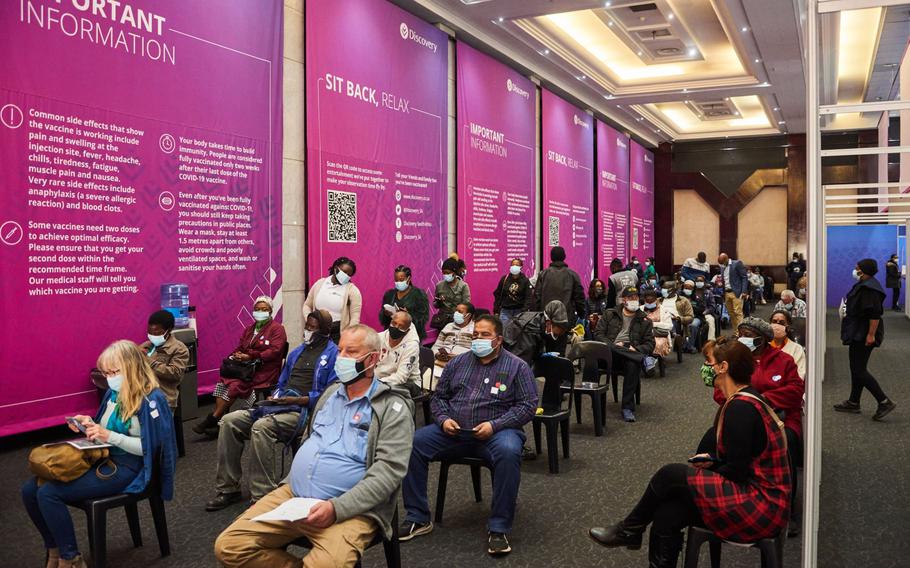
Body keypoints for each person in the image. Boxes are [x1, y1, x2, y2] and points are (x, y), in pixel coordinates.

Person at [214, 325, 415, 568]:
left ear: (373, 359)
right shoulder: (330, 395)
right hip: (295, 494)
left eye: (351, 352)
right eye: (340, 350)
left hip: (351, 508)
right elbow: (310, 445)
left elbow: (388, 474)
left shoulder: (391, 408)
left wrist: (336, 508)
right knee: (229, 546)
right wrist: (281, 489)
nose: (340, 359)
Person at [589, 338, 791, 567]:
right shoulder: (747, 399)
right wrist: (714, 463)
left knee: (670, 475)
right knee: (667, 513)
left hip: (762, 506)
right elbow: (743, 461)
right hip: (764, 499)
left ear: (723, 367)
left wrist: (714, 466)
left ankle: (630, 529)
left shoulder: (740, 408)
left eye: (709, 362)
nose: (706, 367)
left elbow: (736, 472)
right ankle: (631, 530)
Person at [23, 340, 177, 568]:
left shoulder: (151, 399)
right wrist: (88, 424)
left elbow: (151, 449)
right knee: (29, 490)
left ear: (132, 368)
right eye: (105, 373)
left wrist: (109, 436)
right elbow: (104, 428)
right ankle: (54, 549)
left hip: (133, 468)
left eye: (114, 372)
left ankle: (71, 559)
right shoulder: (113, 394)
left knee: (48, 494)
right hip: (106, 457)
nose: (109, 377)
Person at [398, 315, 538, 556]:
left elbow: (527, 406)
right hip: (454, 432)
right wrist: (443, 420)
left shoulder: (517, 367)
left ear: (499, 340)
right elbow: (439, 398)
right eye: (475, 335)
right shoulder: (457, 363)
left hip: (498, 433)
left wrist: (495, 425)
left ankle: (498, 527)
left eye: (485, 335)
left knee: (509, 452)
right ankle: (418, 517)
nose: (478, 339)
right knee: (413, 443)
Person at [206, 310, 338, 510]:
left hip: (304, 412)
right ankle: (228, 488)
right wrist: (275, 398)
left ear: (325, 331)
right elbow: (281, 383)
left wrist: (301, 399)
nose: (307, 331)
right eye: (307, 326)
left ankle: (262, 496)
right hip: (280, 406)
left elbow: (330, 394)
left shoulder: (334, 354)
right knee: (229, 421)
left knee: (261, 427)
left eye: (312, 328)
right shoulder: (296, 353)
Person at [195, 296, 288, 435]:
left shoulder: (277, 329)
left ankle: (213, 418)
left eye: (264, 309)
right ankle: (219, 420)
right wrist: (235, 355)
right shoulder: (249, 329)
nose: (260, 312)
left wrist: (252, 355)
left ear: (270, 311)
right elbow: (241, 347)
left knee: (236, 384)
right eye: (257, 309)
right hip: (247, 367)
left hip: (265, 369)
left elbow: (275, 351)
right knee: (223, 381)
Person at [834, 259, 897, 420]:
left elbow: (875, 314)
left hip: (864, 333)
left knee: (859, 370)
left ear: (864, 270)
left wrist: (871, 334)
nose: (855, 269)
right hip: (858, 331)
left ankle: (884, 401)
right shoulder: (865, 284)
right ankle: (854, 402)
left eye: (858, 267)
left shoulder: (869, 288)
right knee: (857, 367)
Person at [594, 286, 655, 422]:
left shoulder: (644, 320)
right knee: (618, 349)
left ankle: (627, 408)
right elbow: (598, 334)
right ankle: (643, 359)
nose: (634, 300)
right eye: (630, 298)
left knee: (632, 364)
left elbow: (650, 344)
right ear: (623, 300)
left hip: (629, 354)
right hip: (608, 353)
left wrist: (636, 349)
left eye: (636, 298)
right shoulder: (610, 314)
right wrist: (614, 345)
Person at [138, 310, 190, 409]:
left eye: (157, 332)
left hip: (163, 401)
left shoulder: (179, 349)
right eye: (150, 332)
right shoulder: (146, 346)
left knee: (161, 425)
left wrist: (148, 361)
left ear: (169, 330)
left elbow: (175, 374)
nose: (152, 335)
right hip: (142, 398)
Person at [304, 256, 362, 343]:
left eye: (349, 275)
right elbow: (307, 305)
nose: (346, 276)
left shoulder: (352, 291)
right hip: (316, 331)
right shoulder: (320, 283)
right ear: (336, 269)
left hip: (337, 334)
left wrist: (348, 336)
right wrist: (310, 321)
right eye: (344, 272)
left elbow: (355, 318)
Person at [379, 265, 430, 341]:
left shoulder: (419, 294)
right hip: (393, 334)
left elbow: (424, 318)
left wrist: (408, 316)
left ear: (409, 278)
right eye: (396, 280)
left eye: (401, 280)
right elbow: (382, 319)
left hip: (411, 336)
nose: (398, 282)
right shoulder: (390, 294)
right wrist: (386, 314)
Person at [534, 246, 585, 322]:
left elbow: (537, 298)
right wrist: (582, 314)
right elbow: (579, 298)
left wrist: (537, 316)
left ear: (551, 257)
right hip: (566, 318)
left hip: (546, 318)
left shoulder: (543, 274)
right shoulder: (573, 275)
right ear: (564, 256)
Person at [376, 310, 422, 396]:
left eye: (401, 326)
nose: (396, 327)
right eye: (394, 323)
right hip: (381, 378)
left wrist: (377, 384)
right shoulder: (379, 337)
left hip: (409, 383)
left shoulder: (411, 345)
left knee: (383, 394)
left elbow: (401, 377)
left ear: (407, 331)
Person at [433, 257, 471, 329]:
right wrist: (439, 302)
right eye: (444, 273)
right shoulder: (439, 285)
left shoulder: (463, 286)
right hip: (442, 320)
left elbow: (467, 306)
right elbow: (435, 305)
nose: (445, 275)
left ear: (454, 272)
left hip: (457, 319)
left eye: (448, 273)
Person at [769, 310, 806, 380]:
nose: (777, 325)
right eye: (774, 322)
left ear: (788, 327)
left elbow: (799, 375)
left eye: (782, 323)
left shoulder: (796, 349)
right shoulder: (762, 346)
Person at [493, 258, 532, 325]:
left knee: (517, 331)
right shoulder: (505, 279)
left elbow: (528, 297)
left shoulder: (525, 281)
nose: (514, 266)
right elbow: (498, 294)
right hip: (505, 311)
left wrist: (524, 310)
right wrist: (496, 310)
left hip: (519, 311)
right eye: (513, 265)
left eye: (517, 265)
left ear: (521, 267)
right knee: (504, 331)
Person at [717, 253, 748, 332]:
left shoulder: (737, 263)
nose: (721, 265)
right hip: (727, 293)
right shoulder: (722, 267)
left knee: (738, 313)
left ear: (726, 259)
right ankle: (736, 332)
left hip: (736, 292)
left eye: (722, 263)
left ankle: (741, 333)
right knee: (731, 313)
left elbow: (744, 277)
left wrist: (744, 291)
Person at [684, 279, 715, 353]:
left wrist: (694, 307)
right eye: (685, 288)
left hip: (699, 316)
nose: (687, 290)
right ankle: (681, 345)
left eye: (689, 288)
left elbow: (705, 308)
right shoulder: (682, 296)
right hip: (684, 316)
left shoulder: (701, 295)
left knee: (695, 324)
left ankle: (691, 346)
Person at [642, 287, 672, 362]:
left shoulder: (663, 310)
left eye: (651, 301)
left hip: (659, 335)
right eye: (647, 301)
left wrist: (653, 324)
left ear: (656, 299)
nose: (649, 303)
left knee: (657, 344)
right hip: (643, 335)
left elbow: (669, 326)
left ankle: (652, 361)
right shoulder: (640, 309)